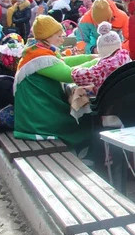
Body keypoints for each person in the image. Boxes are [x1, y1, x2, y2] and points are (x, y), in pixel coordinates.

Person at [13, 16, 98, 148]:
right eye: (58, 36)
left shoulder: (37, 50)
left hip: (37, 110)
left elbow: (63, 62)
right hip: (38, 118)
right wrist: (99, 62)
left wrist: (91, 57)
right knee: (85, 123)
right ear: (47, 37)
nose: (62, 39)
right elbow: (69, 75)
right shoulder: (39, 57)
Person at [70, 21, 132, 92]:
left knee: (76, 91)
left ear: (100, 49)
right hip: (127, 93)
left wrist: (77, 68)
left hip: (109, 99)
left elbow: (77, 76)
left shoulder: (103, 67)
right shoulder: (126, 56)